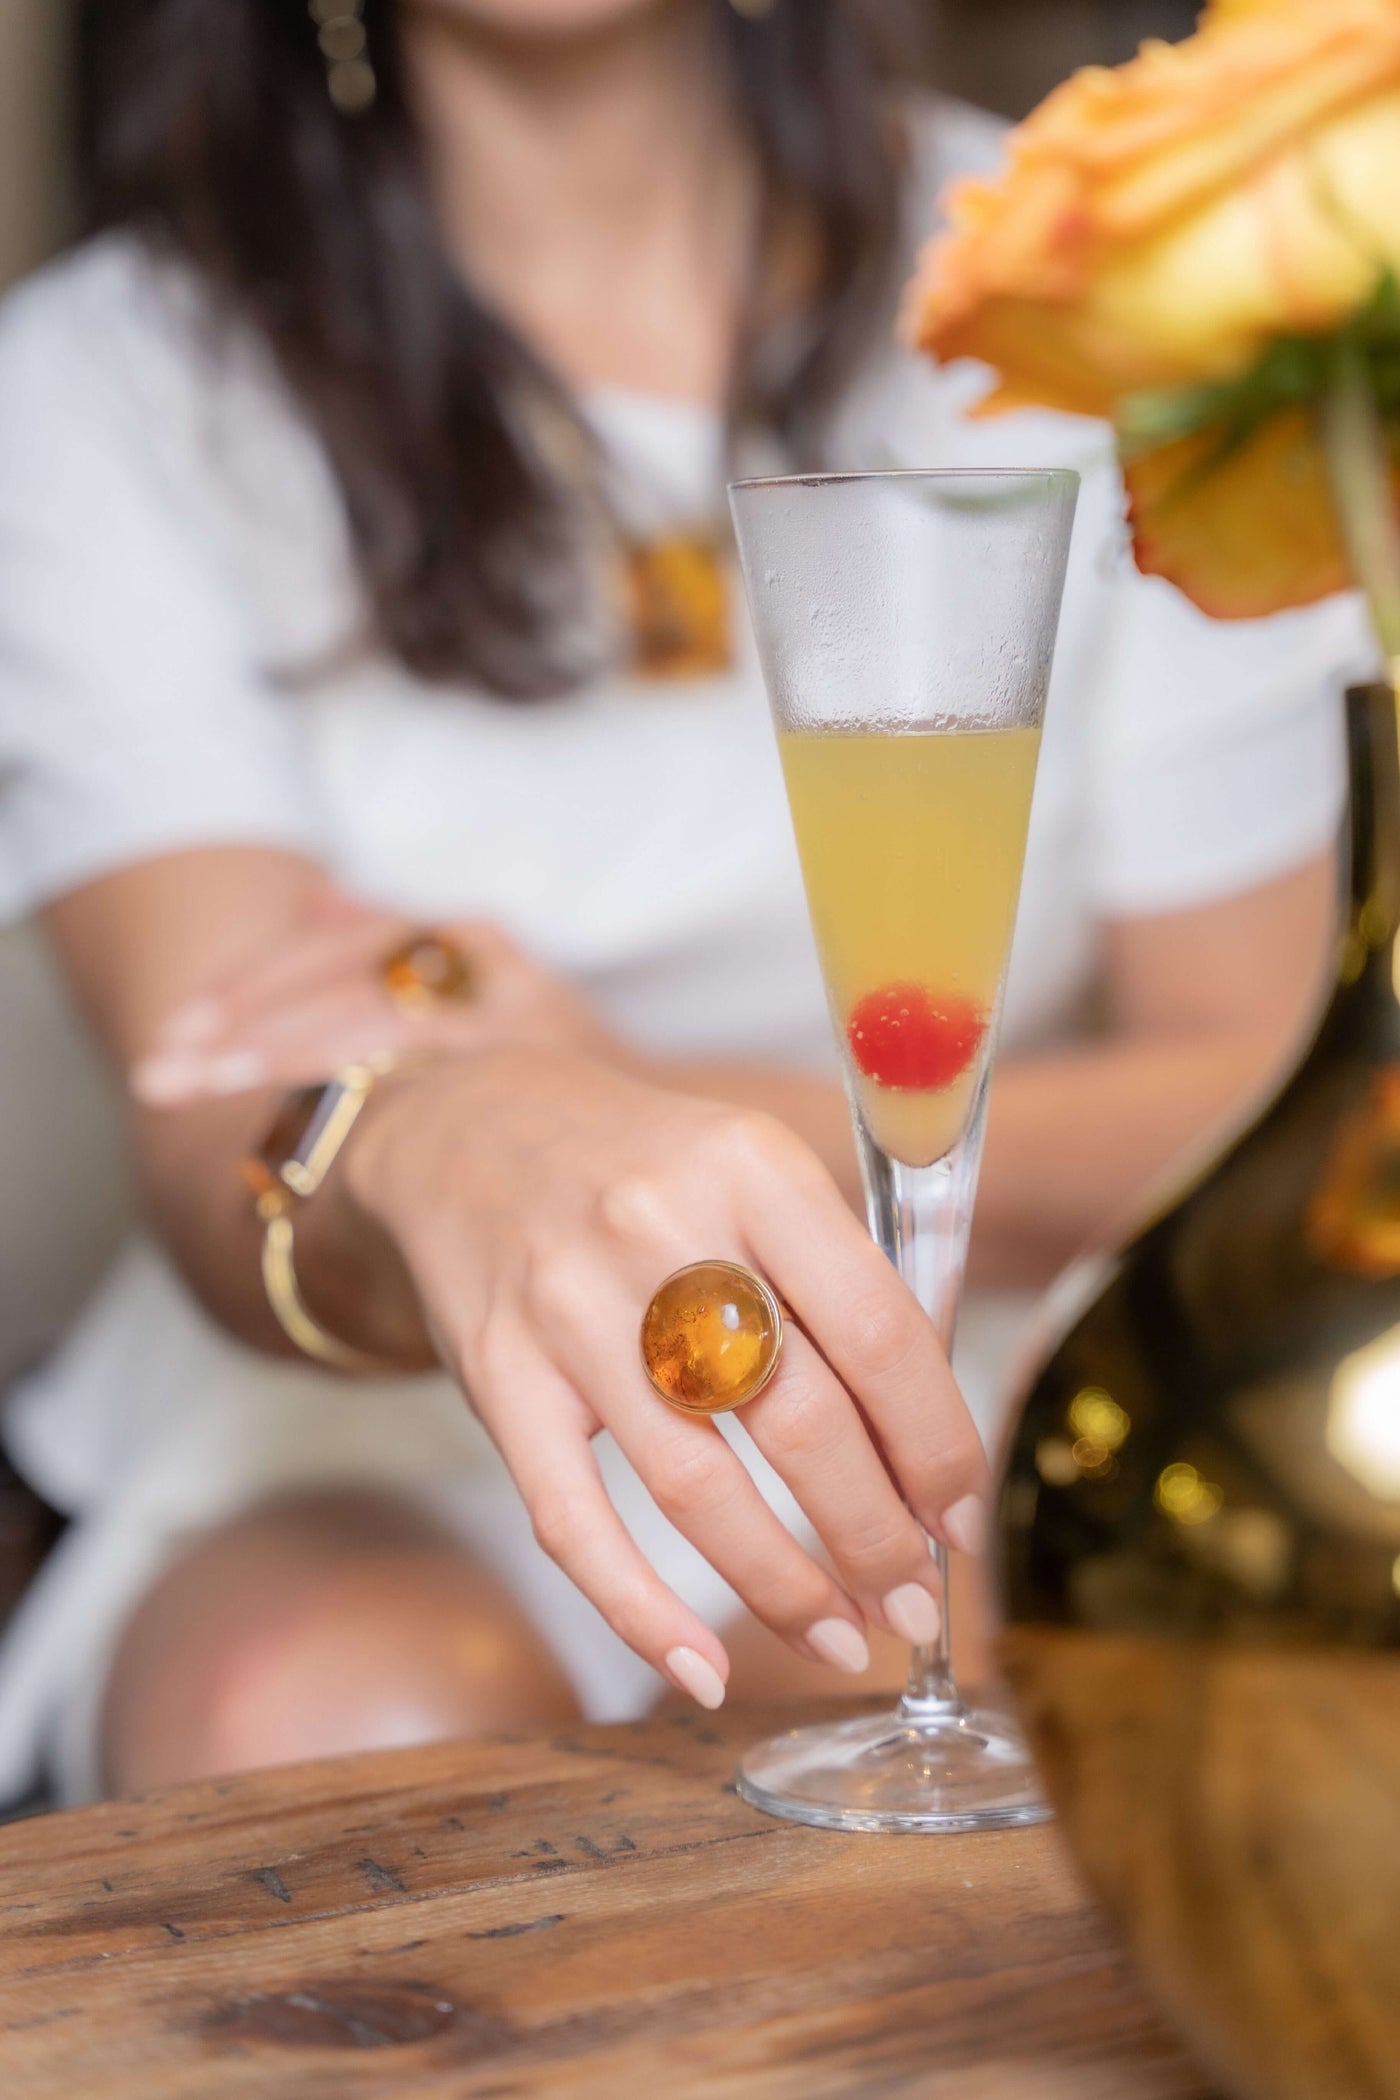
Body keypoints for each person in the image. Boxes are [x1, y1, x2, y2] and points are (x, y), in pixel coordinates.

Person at [0, 0, 1374, 1806]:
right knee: (318, 1712)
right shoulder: (107, 380)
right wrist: (449, 1148)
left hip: (964, 1370)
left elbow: (1263, 1104)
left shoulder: (1106, 307)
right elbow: (227, 1123)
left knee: (940, 1721)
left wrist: (623, 1100)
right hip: (377, 1433)